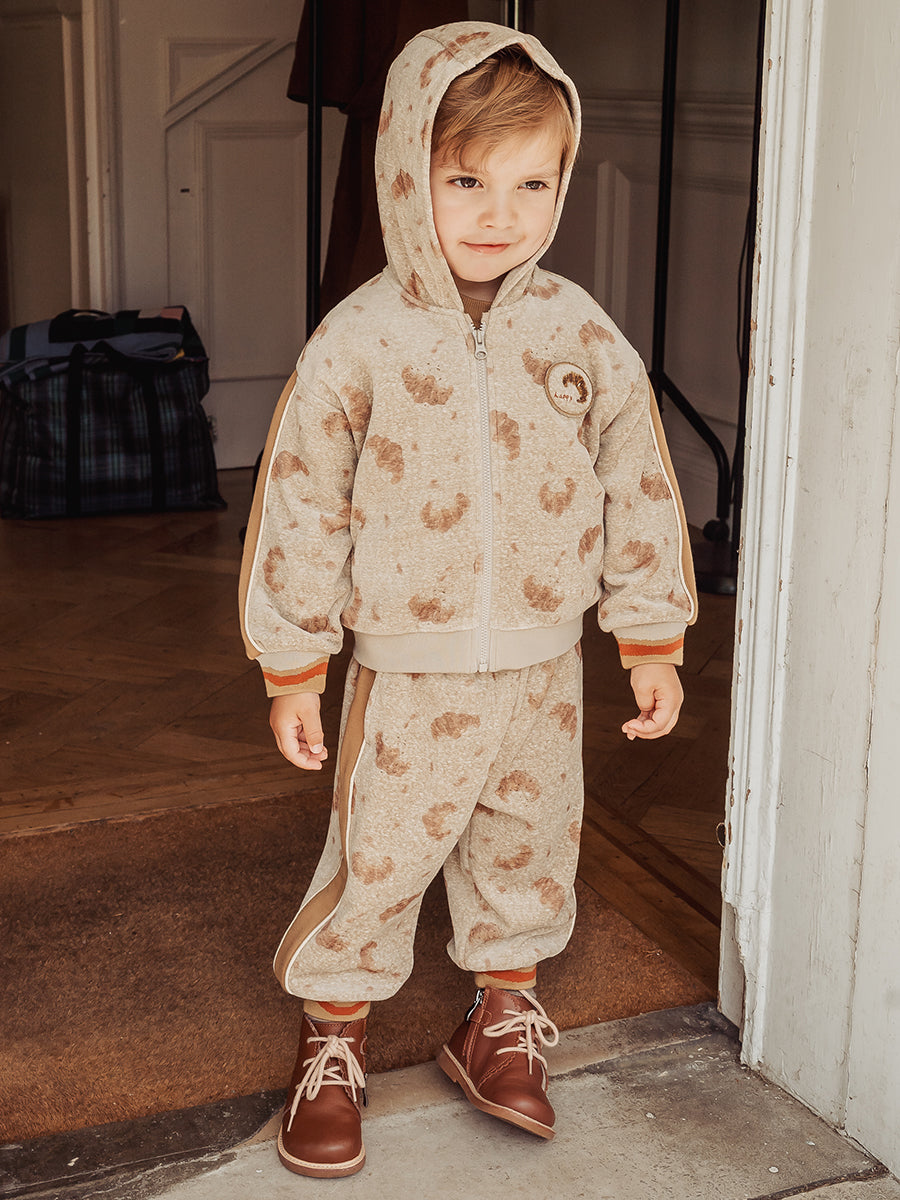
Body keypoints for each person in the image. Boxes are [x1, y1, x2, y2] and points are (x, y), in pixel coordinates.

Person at [239, 19, 697, 1180]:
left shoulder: (580, 331)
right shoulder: (360, 340)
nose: (501, 213)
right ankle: (334, 1036)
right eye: (465, 181)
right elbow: (301, 501)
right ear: (407, 173)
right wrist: (293, 663)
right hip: (408, 668)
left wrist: (651, 636)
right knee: (380, 856)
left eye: (531, 183)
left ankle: (499, 1017)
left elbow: (639, 480)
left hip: (545, 662)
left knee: (529, 844)